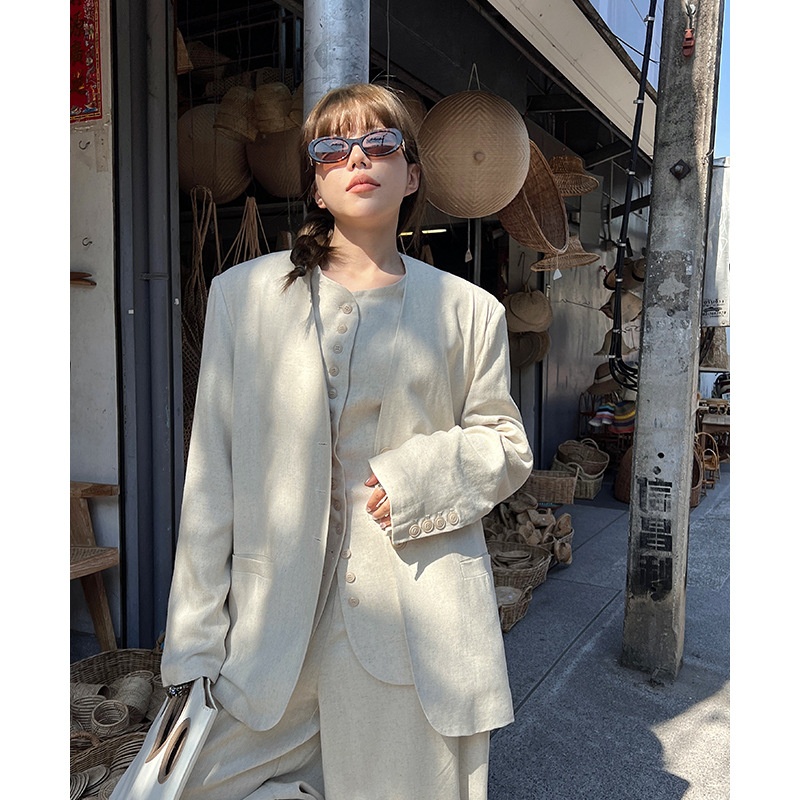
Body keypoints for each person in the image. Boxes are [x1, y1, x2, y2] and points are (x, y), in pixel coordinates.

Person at [160, 82, 533, 800]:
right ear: (316, 186)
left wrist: (418, 477)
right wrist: (194, 641)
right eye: (333, 149)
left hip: (412, 620)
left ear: (412, 175)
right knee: (189, 787)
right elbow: (211, 474)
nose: (357, 157)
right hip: (271, 633)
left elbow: (506, 441)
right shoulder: (243, 297)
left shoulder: (470, 311)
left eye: (379, 143)